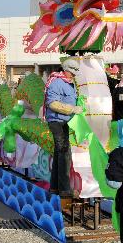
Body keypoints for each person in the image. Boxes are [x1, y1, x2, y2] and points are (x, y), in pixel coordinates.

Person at [44, 59, 82, 198]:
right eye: (72, 72)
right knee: (64, 153)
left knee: (59, 153)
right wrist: (72, 109)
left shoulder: (70, 84)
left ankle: (54, 187)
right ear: (66, 70)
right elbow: (52, 103)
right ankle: (65, 190)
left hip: (64, 122)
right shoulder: (57, 83)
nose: (74, 75)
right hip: (56, 121)